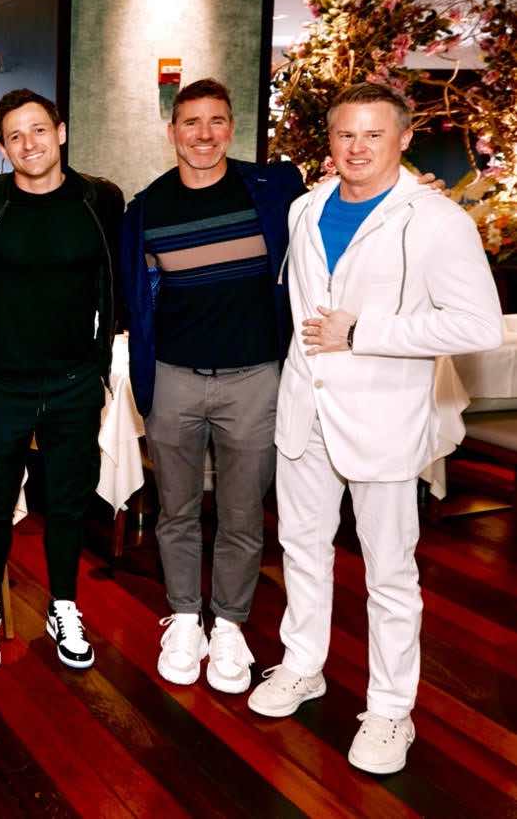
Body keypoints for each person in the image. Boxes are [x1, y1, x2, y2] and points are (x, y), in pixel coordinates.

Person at [248, 82, 502, 774]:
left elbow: (478, 325)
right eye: (345, 134)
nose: (357, 148)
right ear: (329, 141)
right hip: (306, 412)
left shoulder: (435, 220)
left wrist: (364, 331)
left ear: (404, 139)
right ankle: (303, 664)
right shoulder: (305, 209)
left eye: (373, 134)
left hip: (383, 418)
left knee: (389, 572)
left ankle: (391, 708)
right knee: (301, 549)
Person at [120, 78, 304, 693]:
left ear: (231, 126)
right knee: (174, 510)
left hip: (255, 379)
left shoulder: (274, 192)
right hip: (173, 379)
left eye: (216, 121)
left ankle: (228, 623)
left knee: (242, 514)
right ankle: (183, 618)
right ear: (172, 131)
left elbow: (342, 214)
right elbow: (134, 299)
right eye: (191, 122)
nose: (204, 134)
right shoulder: (145, 210)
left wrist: (412, 188)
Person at [0, 89, 123, 672]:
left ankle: (63, 605)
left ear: (60, 132)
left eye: (38, 130)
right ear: (3, 148)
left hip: (74, 379)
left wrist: (101, 365)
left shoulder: (99, 199)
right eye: (14, 136)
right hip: (3, 379)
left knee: (67, 500)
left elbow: (117, 279)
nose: (28, 143)